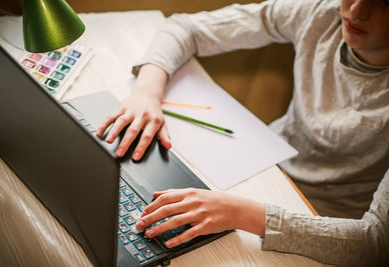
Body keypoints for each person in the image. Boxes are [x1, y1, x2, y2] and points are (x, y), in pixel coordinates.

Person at [96, 0, 389, 265]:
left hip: (324, 222)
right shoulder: (321, 13)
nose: (357, 10)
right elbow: (187, 28)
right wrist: (146, 91)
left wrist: (240, 213)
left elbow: (375, 244)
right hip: (265, 170)